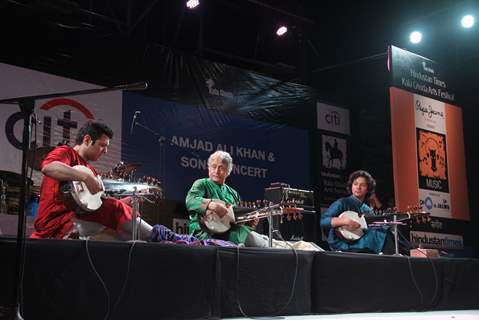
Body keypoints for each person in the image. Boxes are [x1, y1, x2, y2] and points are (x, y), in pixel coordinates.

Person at [31, 121, 153, 240]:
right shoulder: (66, 152)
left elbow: (96, 204)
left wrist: (126, 201)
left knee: (122, 232)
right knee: (115, 212)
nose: (105, 151)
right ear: (87, 140)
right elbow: (48, 167)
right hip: (57, 222)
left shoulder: (91, 170)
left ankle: (155, 237)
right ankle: (157, 234)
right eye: (102, 145)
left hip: (78, 219)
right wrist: (86, 177)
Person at [185, 151, 268, 247]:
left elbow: (235, 221)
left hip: (228, 232)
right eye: (213, 166)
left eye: (221, 168)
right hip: (204, 234)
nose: (216, 171)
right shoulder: (201, 184)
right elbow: (190, 200)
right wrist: (211, 205)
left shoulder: (234, 194)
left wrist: (249, 222)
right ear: (208, 168)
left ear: (228, 172)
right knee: (246, 237)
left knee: (249, 235)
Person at [320, 170, 391, 254]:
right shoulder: (342, 202)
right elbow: (323, 221)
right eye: (355, 184)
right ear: (351, 186)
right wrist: (345, 221)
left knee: (385, 229)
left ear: (368, 189)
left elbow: (373, 224)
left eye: (363, 185)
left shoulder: (366, 209)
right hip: (344, 243)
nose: (358, 187)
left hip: (362, 240)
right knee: (382, 233)